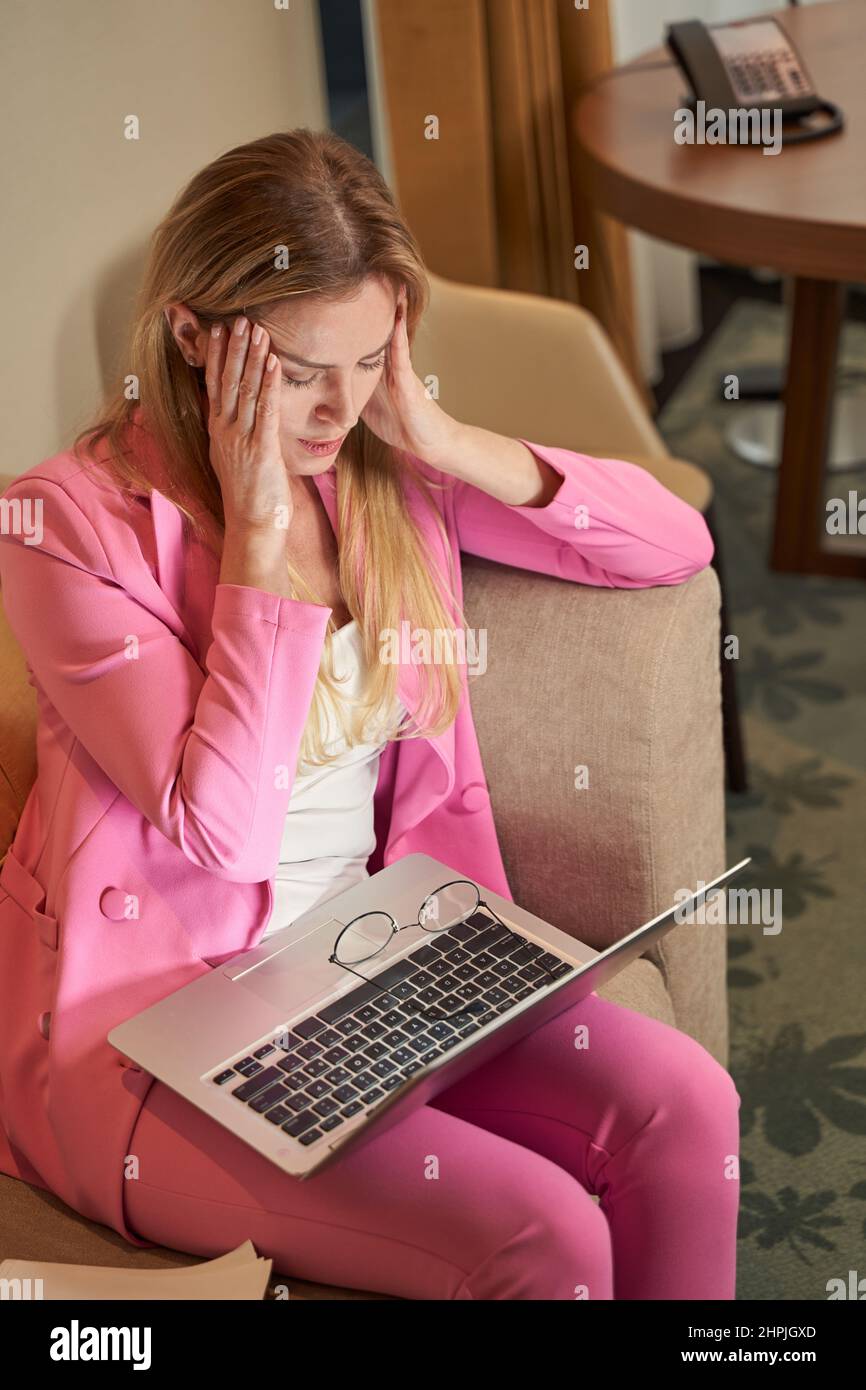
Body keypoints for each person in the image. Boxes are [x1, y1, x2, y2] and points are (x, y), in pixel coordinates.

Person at [0, 128, 739, 1300]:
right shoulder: (68, 529)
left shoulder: (373, 467)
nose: (337, 406)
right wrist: (255, 544)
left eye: (370, 356)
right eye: (299, 369)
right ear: (192, 336)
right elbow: (226, 830)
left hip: (375, 961)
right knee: (543, 1233)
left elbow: (673, 545)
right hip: (156, 1047)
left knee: (690, 1101)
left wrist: (439, 438)